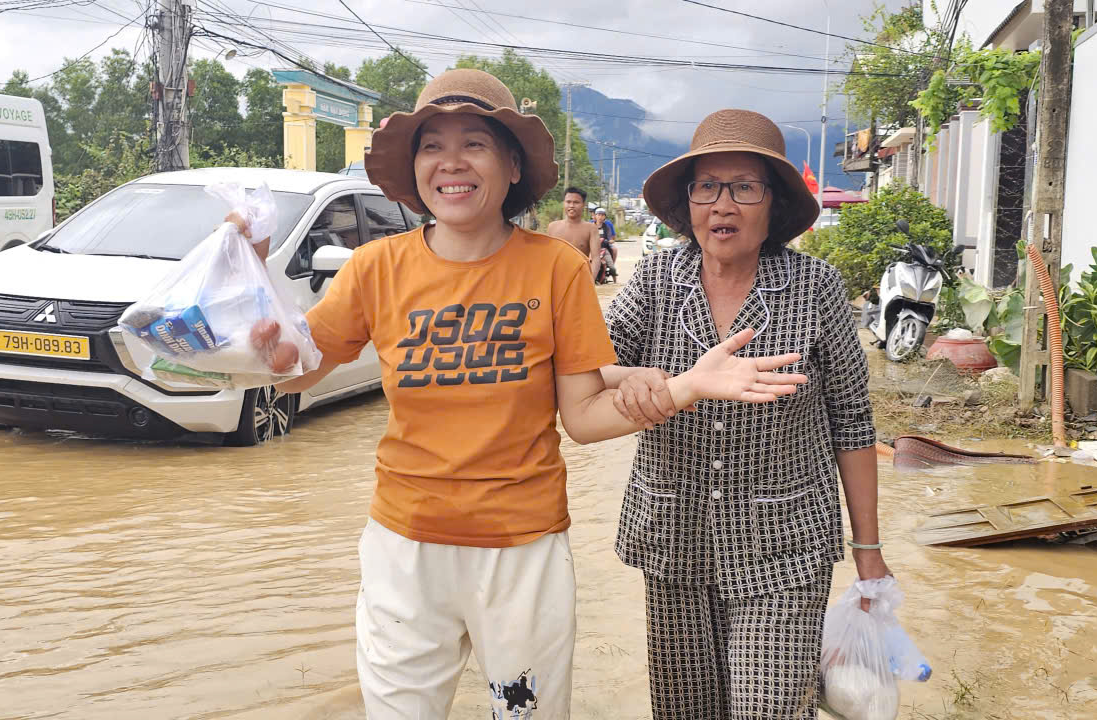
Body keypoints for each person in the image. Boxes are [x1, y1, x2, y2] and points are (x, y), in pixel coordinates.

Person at [227, 71, 809, 720]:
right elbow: (300, 368)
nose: (450, 162)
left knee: (523, 712)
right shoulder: (376, 267)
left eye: (474, 142)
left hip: (522, 553)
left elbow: (583, 416)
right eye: (431, 145)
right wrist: (260, 313)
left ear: (510, 165)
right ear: (416, 168)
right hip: (404, 548)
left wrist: (686, 385)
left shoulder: (554, 269)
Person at [600, 109, 889, 719]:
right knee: (684, 711)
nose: (722, 205)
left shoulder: (816, 288)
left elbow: (852, 422)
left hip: (783, 547)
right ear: (689, 202)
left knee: (769, 710)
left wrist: (868, 548)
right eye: (707, 187)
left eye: (744, 188)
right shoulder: (656, 278)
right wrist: (645, 381)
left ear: (773, 204)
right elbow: (588, 368)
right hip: (674, 539)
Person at [546, 185, 601, 281]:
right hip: (556, 280)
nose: (571, 205)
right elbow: (546, 258)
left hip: (580, 279)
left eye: (576, 202)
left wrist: (590, 281)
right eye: (568, 202)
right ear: (564, 203)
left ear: (583, 205)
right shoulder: (552, 227)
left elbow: (596, 258)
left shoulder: (591, 229)